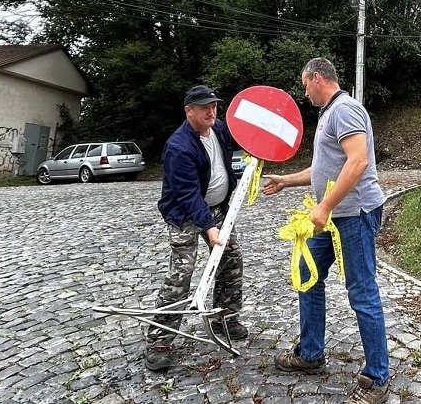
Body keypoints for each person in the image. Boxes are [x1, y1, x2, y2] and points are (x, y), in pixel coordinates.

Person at [262, 57, 390, 404]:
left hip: (354, 215)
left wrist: (325, 205)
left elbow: (358, 161)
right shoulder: (328, 114)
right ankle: (311, 353)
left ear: (317, 78)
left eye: (305, 84)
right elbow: (323, 169)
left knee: (362, 292)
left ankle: (378, 377)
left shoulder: (345, 110)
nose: (304, 92)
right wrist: (286, 180)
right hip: (332, 217)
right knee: (307, 275)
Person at [144, 84, 248, 372]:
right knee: (182, 273)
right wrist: (209, 228)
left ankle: (225, 319)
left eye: (214, 106)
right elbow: (188, 195)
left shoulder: (219, 129)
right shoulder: (179, 147)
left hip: (218, 209)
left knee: (231, 260)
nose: (211, 111)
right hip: (185, 214)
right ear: (188, 110)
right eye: (204, 107)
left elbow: (246, 139)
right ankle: (159, 340)